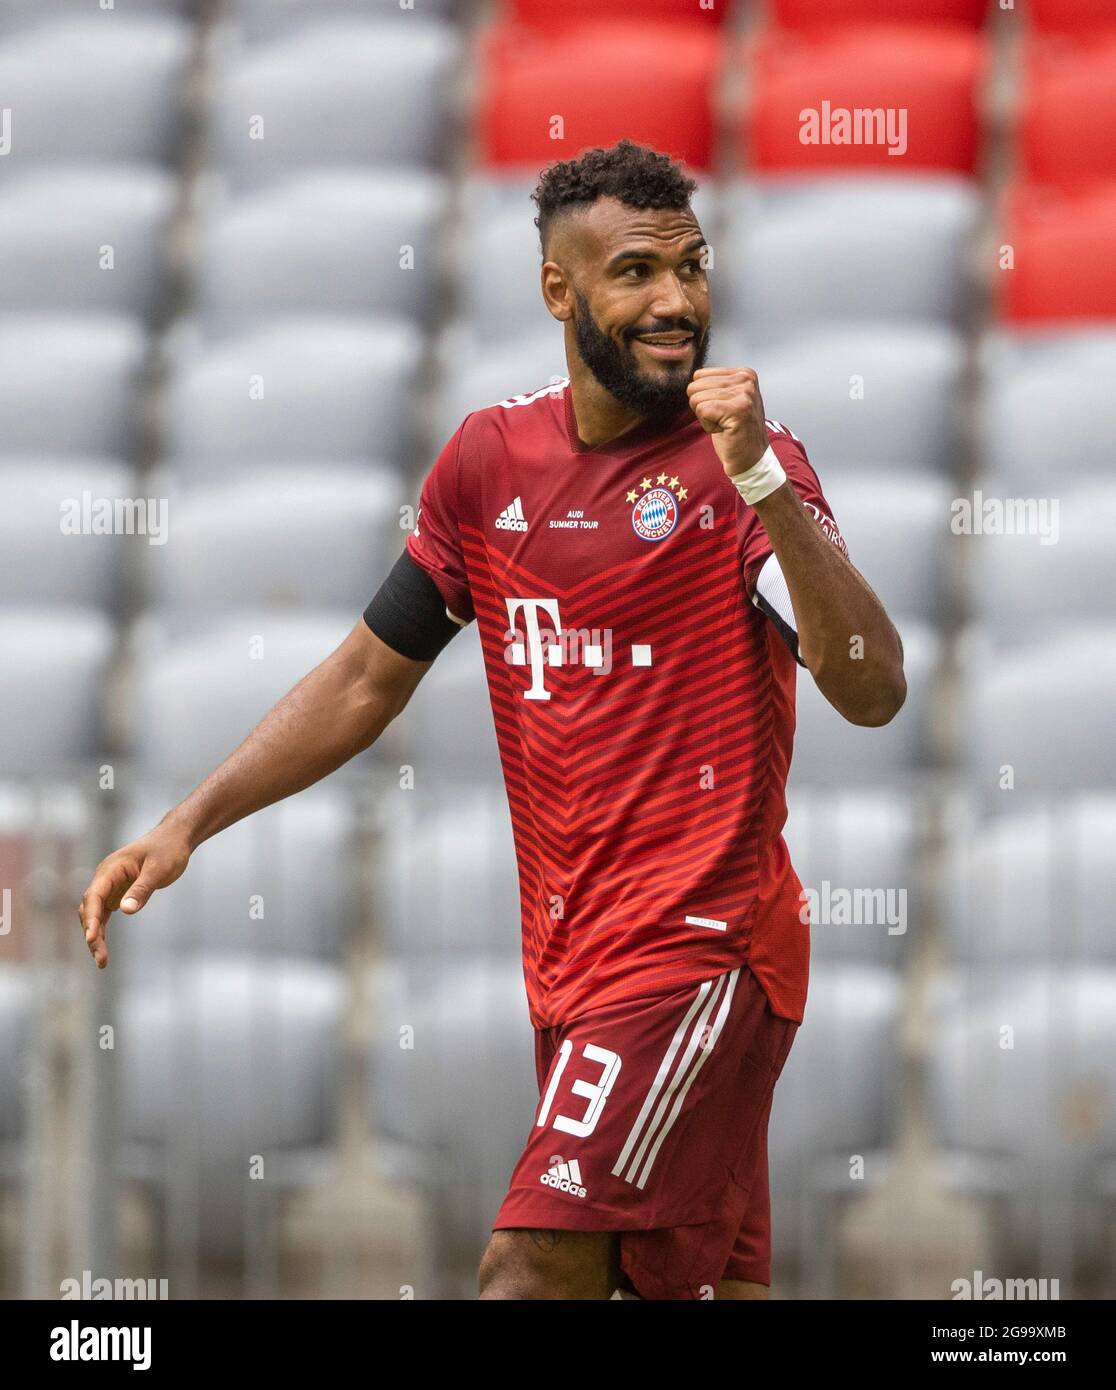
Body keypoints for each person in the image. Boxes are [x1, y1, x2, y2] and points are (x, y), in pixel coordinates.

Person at [77, 140, 906, 1300]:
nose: (676, 300)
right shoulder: (487, 461)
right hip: (573, 971)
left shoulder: (742, 476)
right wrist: (189, 822)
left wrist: (764, 478)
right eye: (635, 272)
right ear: (559, 291)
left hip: (699, 951)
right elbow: (371, 673)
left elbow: (870, 687)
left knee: (528, 1268)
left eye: (692, 266)